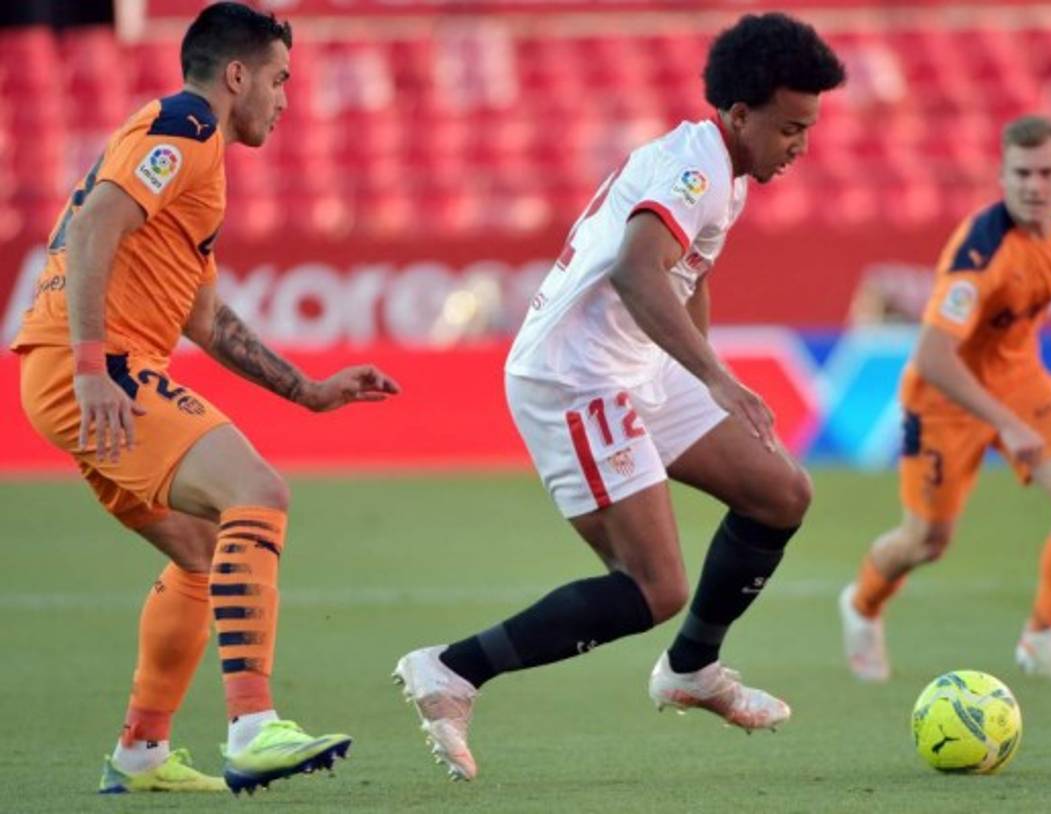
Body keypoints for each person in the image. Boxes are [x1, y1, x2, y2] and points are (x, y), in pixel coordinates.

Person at [391, 12, 845, 781]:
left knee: (780, 491)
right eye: (791, 127)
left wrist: (707, 376)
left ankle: (693, 669)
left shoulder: (720, 171)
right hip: (577, 377)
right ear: (741, 115)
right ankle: (452, 670)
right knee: (652, 587)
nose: (801, 144)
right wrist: (714, 377)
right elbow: (639, 271)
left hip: (634, 365)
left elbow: (683, 275)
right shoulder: (695, 170)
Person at [12, 2, 399, 794]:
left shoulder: (199, 166)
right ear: (236, 76)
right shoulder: (185, 124)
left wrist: (311, 394)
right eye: (279, 79)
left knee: (200, 552)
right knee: (256, 493)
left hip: (80, 369)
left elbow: (209, 321)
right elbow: (92, 229)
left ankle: (142, 751)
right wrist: (92, 367)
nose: (286, 99)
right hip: (91, 366)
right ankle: (254, 727)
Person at [838, 115, 1051, 684]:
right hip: (944, 398)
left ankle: (1042, 636)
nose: (1034, 185)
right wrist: (1005, 424)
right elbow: (934, 356)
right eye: (1022, 174)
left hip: (1018, 380)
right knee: (927, 541)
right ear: (1001, 176)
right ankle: (862, 605)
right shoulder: (979, 256)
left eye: (1045, 173)